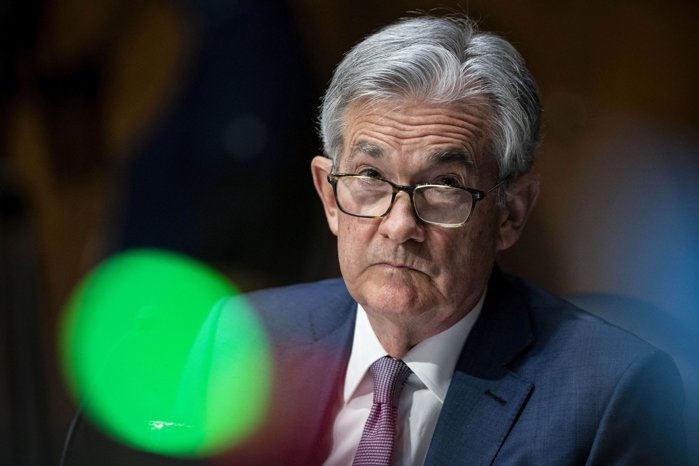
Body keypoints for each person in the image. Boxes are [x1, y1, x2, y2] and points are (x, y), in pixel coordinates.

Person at [220, 13, 688, 466]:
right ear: (329, 195)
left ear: (511, 213)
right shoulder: (247, 339)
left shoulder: (608, 396)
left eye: (444, 185)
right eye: (370, 176)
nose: (399, 225)